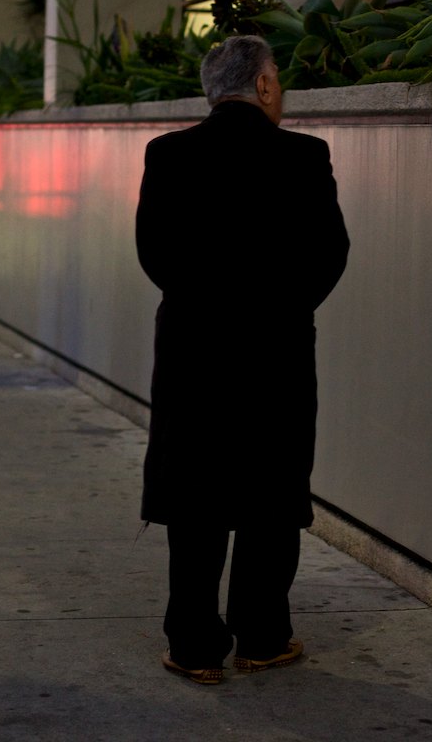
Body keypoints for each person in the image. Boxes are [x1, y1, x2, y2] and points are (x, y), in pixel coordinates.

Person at [135, 34, 350, 685]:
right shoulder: (304, 156)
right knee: (271, 489)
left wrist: (202, 302)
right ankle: (262, 634)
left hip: (192, 350)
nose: (278, 89)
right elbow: (330, 252)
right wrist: (282, 307)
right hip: (275, 352)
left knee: (195, 489)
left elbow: (153, 252)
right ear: (260, 86)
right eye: (276, 79)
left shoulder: (167, 154)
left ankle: (195, 645)